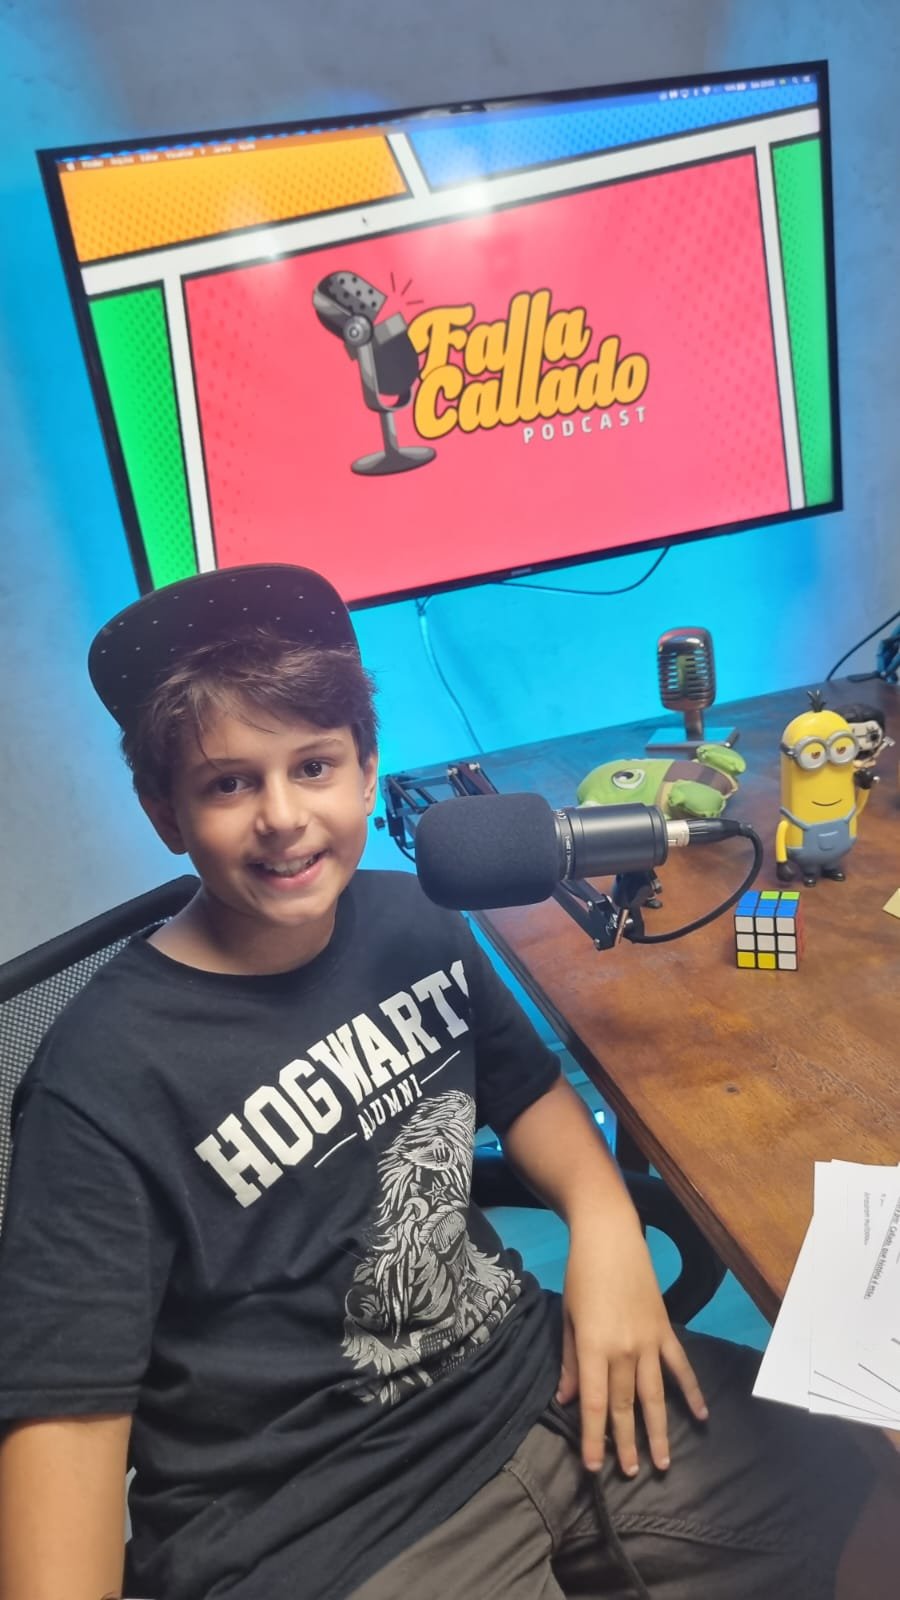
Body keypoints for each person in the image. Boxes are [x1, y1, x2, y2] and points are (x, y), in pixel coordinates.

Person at [0, 564, 877, 1600]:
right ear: (163, 811)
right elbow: (67, 1419)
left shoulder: (413, 920)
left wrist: (603, 1222)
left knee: (872, 1487)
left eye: (314, 766)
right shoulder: (100, 1080)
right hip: (323, 1523)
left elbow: (530, 1094)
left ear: (367, 770)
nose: (282, 816)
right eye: (230, 783)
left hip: (534, 1385)